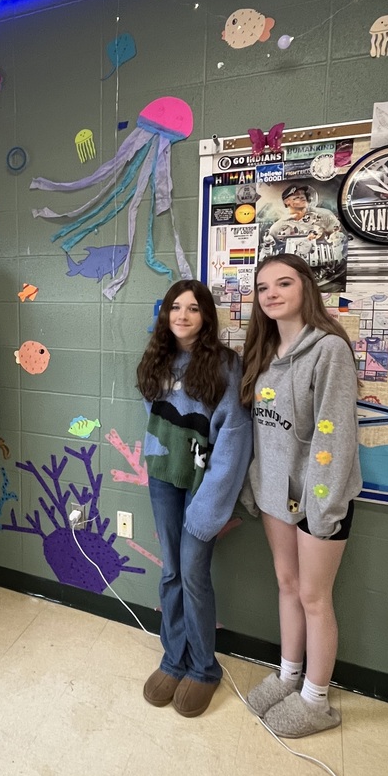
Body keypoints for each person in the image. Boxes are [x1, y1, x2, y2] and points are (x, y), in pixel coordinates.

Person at [240, 254, 362, 738]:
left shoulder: (329, 349)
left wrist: (323, 507)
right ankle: (288, 675)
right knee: (287, 585)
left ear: (306, 287)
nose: (271, 294)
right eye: (263, 287)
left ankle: (316, 699)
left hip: (320, 497)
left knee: (314, 596)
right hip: (276, 493)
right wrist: (257, 485)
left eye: (283, 283)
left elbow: (336, 435)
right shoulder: (262, 351)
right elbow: (260, 432)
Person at [137, 280, 252, 718]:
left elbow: (234, 438)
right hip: (164, 479)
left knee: (193, 573)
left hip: (204, 487)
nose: (182, 316)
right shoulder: (158, 357)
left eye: (192, 308)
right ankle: (174, 658)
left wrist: (209, 508)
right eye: (175, 307)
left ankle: (204, 667)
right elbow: (154, 415)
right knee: (171, 571)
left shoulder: (226, 365)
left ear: (206, 316)